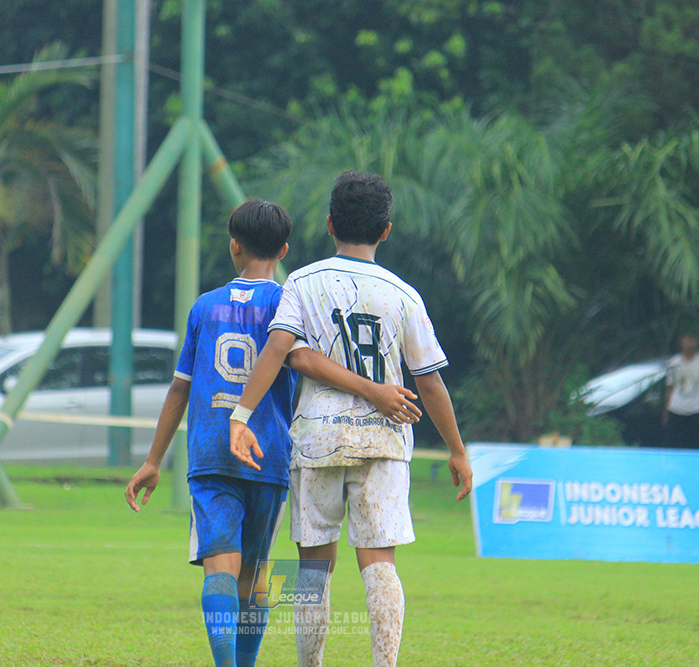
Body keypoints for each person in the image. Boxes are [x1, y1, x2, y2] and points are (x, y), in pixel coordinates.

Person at [125, 199, 422, 667]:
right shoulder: (288, 299)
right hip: (269, 453)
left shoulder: (204, 307)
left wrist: (152, 461)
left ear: (233, 245)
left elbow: (179, 390)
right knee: (258, 575)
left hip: (212, 452)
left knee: (220, 566)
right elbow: (300, 357)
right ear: (284, 250)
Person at [228, 172, 472, 667]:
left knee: (313, 567)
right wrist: (457, 450)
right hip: (384, 442)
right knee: (379, 563)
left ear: (329, 223)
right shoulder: (404, 294)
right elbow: (429, 381)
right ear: (386, 230)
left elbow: (281, 350)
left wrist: (242, 413)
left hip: (316, 438)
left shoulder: (301, 281)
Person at [662, 333, 699, 448]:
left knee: (696, 444)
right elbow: (669, 387)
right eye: (686, 339)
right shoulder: (674, 363)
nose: (689, 342)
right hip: (676, 409)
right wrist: (666, 410)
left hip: (697, 409)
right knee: (674, 444)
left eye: (692, 339)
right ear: (681, 342)